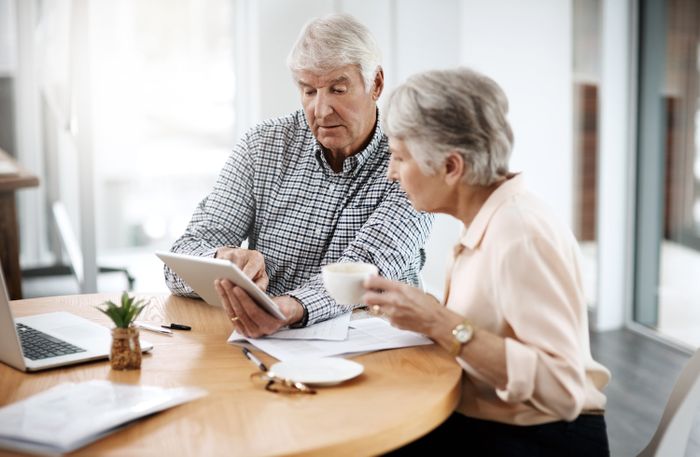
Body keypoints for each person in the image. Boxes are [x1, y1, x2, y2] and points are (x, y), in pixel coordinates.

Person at [364, 68, 611, 456]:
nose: (392, 174)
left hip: (545, 439)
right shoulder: (486, 221)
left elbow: (564, 389)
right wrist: (418, 315)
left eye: (398, 157)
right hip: (492, 423)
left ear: (451, 167)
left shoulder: (520, 236)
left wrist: (439, 321)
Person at [164, 14, 432, 338]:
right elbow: (181, 261)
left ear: (375, 84)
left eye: (338, 89)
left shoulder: (410, 159)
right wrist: (222, 261)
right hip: (270, 343)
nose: (321, 110)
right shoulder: (263, 146)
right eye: (308, 91)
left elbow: (365, 273)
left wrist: (290, 308)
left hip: (378, 347)